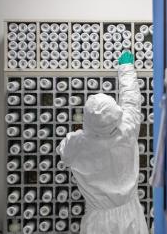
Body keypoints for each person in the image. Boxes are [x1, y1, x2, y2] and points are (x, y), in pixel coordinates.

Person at [57, 51, 148, 234]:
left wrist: (84, 133)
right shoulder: (127, 129)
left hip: (98, 221)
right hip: (131, 215)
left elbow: (63, 152)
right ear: (116, 115)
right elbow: (131, 100)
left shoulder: (76, 144)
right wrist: (126, 68)